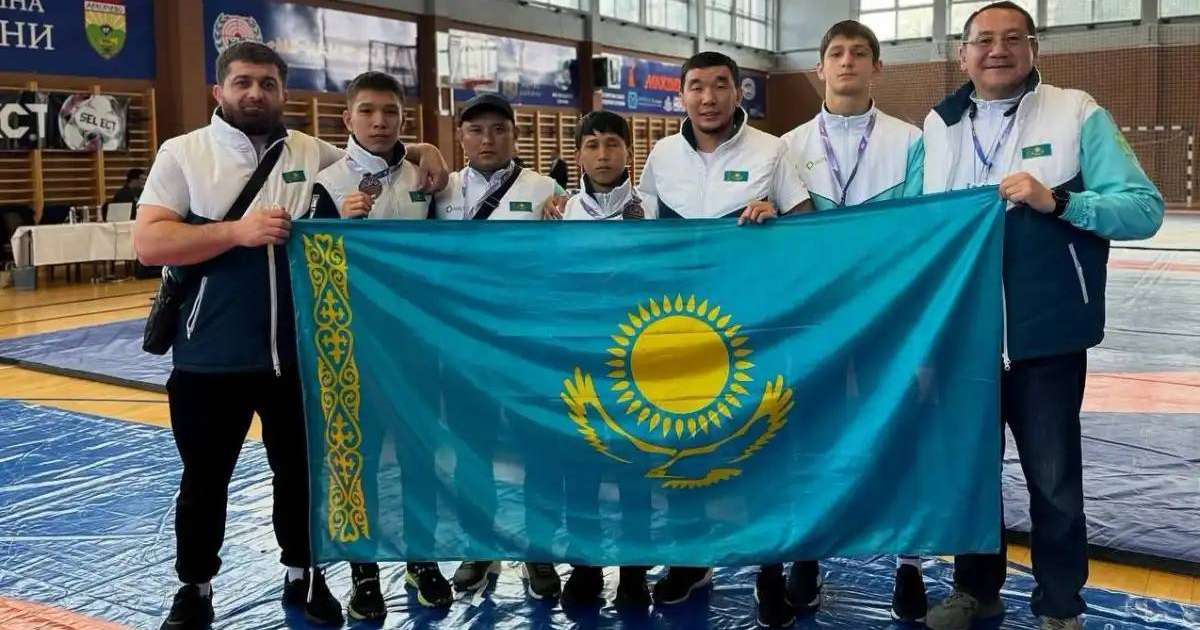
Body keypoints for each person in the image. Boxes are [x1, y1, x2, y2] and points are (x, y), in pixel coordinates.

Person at [134, 41, 449, 629]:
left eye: (268, 84)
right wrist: (237, 232)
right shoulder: (184, 154)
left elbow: (376, 150)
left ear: (284, 92)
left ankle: (303, 575)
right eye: (243, 82)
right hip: (209, 356)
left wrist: (426, 148)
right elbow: (150, 244)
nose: (255, 93)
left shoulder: (312, 152)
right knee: (205, 480)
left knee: (301, 478)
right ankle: (195, 586)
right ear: (219, 91)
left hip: (299, 356)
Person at [919, 4, 1163, 630]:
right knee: (970, 478)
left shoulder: (1076, 111)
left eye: (1011, 39)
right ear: (961, 53)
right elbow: (908, 219)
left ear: (1033, 48)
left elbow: (1143, 209)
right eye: (982, 41)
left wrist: (1058, 202)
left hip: (1046, 339)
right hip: (963, 341)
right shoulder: (939, 126)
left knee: (1053, 484)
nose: (995, 51)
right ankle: (975, 588)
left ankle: (1060, 606)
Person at [635, 51, 812, 629]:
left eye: (719, 86)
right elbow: (644, 233)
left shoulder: (772, 150)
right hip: (681, 329)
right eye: (696, 87)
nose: (707, 97)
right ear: (680, 96)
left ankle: (768, 572)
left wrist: (776, 221)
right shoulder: (662, 156)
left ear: (740, 93)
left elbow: (811, 226)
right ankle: (690, 561)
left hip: (756, 325)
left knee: (761, 446)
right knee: (685, 444)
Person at [779, 19, 927, 625]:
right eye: (836, 53)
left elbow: (921, 228)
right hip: (815, 323)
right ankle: (808, 552)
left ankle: (909, 562)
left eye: (858, 53)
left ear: (877, 68)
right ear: (820, 68)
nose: (846, 62)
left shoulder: (913, 141)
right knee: (810, 433)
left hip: (894, 318)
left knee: (900, 431)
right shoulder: (783, 146)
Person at [310, 70, 453, 620]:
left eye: (389, 112)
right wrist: (333, 226)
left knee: (420, 457)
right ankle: (362, 572)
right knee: (356, 461)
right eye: (366, 111)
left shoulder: (428, 176)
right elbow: (310, 266)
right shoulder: (324, 182)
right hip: (351, 351)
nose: (378, 122)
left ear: (402, 119)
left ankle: (423, 561)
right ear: (347, 119)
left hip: (416, 347)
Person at [432, 92, 568, 601]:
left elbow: (569, 254)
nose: (487, 139)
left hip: (529, 347)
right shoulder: (439, 192)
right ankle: (479, 545)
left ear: (514, 135)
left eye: (498, 129)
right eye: (476, 130)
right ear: (461, 137)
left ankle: (539, 551)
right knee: (472, 451)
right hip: (466, 347)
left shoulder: (547, 190)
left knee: (539, 452)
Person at [556, 110, 652, 611]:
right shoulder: (558, 214)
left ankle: (635, 572)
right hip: (578, 361)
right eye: (591, 146)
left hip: (638, 364)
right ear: (578, 156)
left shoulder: (654, 209)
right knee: (581, 472)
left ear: (629, 152)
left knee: (636, 467)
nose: (602, 155)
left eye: (612, 144)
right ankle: (585, 568)